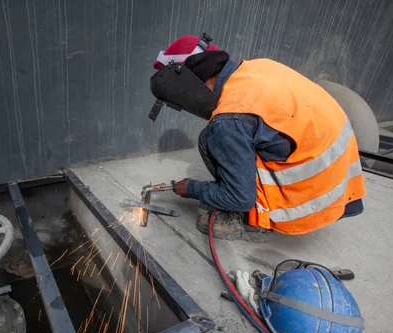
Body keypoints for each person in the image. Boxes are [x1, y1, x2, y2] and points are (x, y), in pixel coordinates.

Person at [150, 35, 365, 241]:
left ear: (190, 80)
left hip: (313, 197)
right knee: (221, 137)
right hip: (340, 176)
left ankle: (252, 223)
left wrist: (192, 188)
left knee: (211, 139)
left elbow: (240, 197)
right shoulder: (255, 68)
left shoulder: (229, 119)